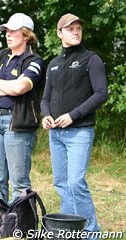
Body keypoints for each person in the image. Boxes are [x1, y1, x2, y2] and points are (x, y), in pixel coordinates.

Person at [41, 13, 108, 238]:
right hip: (56, 134)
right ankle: (69, 231)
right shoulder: (53, 64)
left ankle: (91, 232)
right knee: (61, 183)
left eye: (78, 28)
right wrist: (46, 115)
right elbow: (45, 99)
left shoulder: (91, 59)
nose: (76, 31)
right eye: (70, 29)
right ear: (59, 33)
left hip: (80, 132)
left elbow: (101, 93)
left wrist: (73, 115)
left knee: (76, 182)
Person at [0, 13, 44, 236]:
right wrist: (4, 84)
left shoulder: (34, 61)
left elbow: (20, 89)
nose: (8, 35)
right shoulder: (0, 56)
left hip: (17, 125)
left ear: (26, 35)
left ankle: (21, 228)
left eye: (13, 31)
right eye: (6, 31)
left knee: (19, 182)